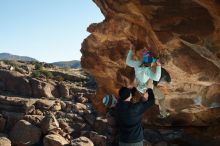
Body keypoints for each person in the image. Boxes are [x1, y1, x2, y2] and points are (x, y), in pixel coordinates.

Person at [126, 44, 169, 118]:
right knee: (161, 97)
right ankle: (163, 113)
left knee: (152, 80)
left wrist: (132, 51)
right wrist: (158, 65)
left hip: (140, 85)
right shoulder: (147, 71)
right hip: (145, 87)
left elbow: (128, 62)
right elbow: (156, 77)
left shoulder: (138, 64)